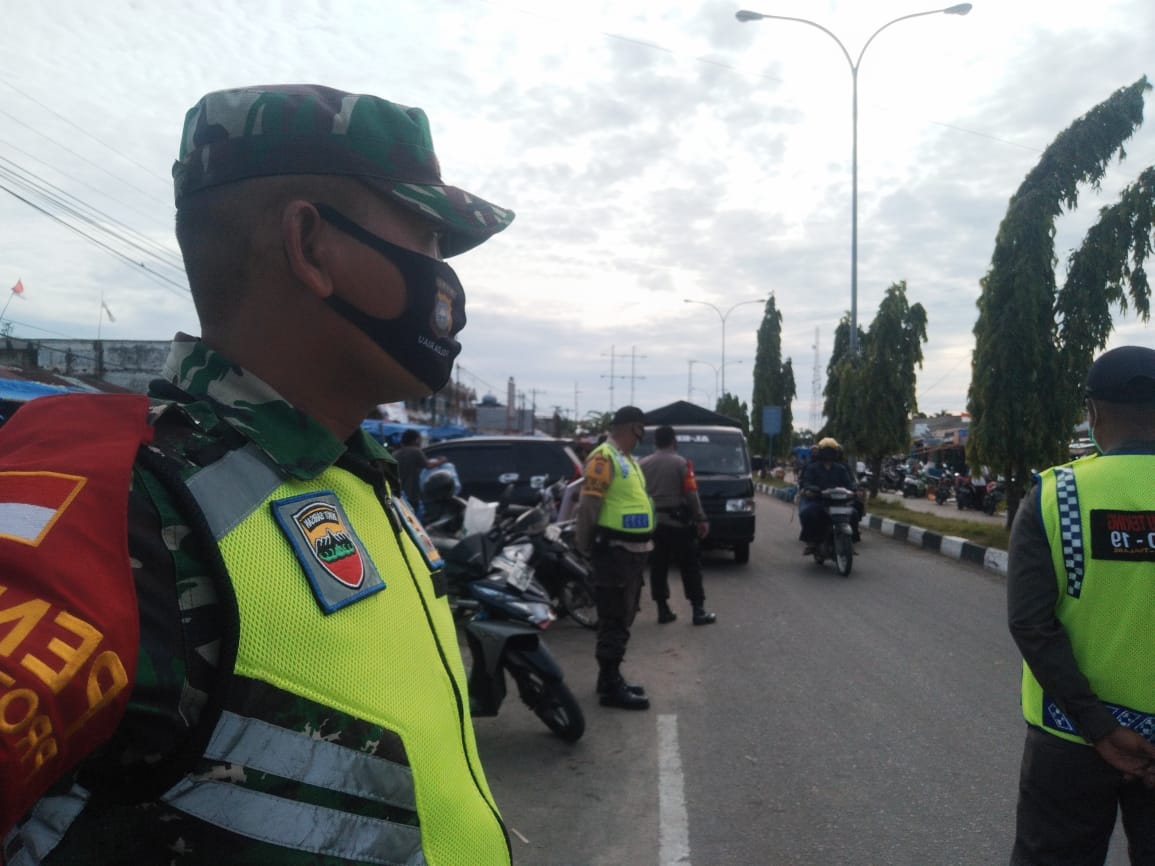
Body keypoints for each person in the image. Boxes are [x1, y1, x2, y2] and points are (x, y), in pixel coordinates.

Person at [0, 84, 515, 864]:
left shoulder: (350, 471)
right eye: (430, 241)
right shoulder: (122, 509)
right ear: (311, 245)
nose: (447, 282)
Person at [1007, 345, 1155, 866]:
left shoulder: (1056, 495)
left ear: (1092, 413)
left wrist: (1101, 727)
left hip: (1069, 738)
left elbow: (1030, 623)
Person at [575, 406, 654, 711]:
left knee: (624, 614)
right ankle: (610, 687)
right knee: (614, 618)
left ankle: (609, 677)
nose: (642, 437)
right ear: (631, 427)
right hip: (614, 553)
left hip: (630, 554)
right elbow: (589, 505)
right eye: (640, 431)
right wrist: (583, 546)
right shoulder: (603, 458)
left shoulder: (626, 459)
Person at [639, 425, 716, 626]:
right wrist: (701, 518)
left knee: (658, 567)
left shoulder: (643, 464)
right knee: (690, 566)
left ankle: (662, 610)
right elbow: (691, 494)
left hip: (654, 525)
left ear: (655, 442)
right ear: (674, 441)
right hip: (679, 524)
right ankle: (698, 611)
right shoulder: (682, 463)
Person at [797, 436, 857, 554]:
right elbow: (806, 482)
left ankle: (851, 542)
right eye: (826, 451)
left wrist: (856, 490)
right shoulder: (812, 468)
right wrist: (811, 490)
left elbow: (849, 484)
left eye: (831, 451)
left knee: (854, 514)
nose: (828, 454)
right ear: (821, 452)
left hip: (839, 502)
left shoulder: (841, 468)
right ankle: (812, 542)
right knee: (808, 513)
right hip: (819, 501)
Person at [393, 427, 447, 508]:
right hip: (411, 494)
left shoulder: (395, 454)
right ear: (416, 440)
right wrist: (442, 461)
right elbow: (428, 465)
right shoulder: (416, 451)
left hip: (397, 494)